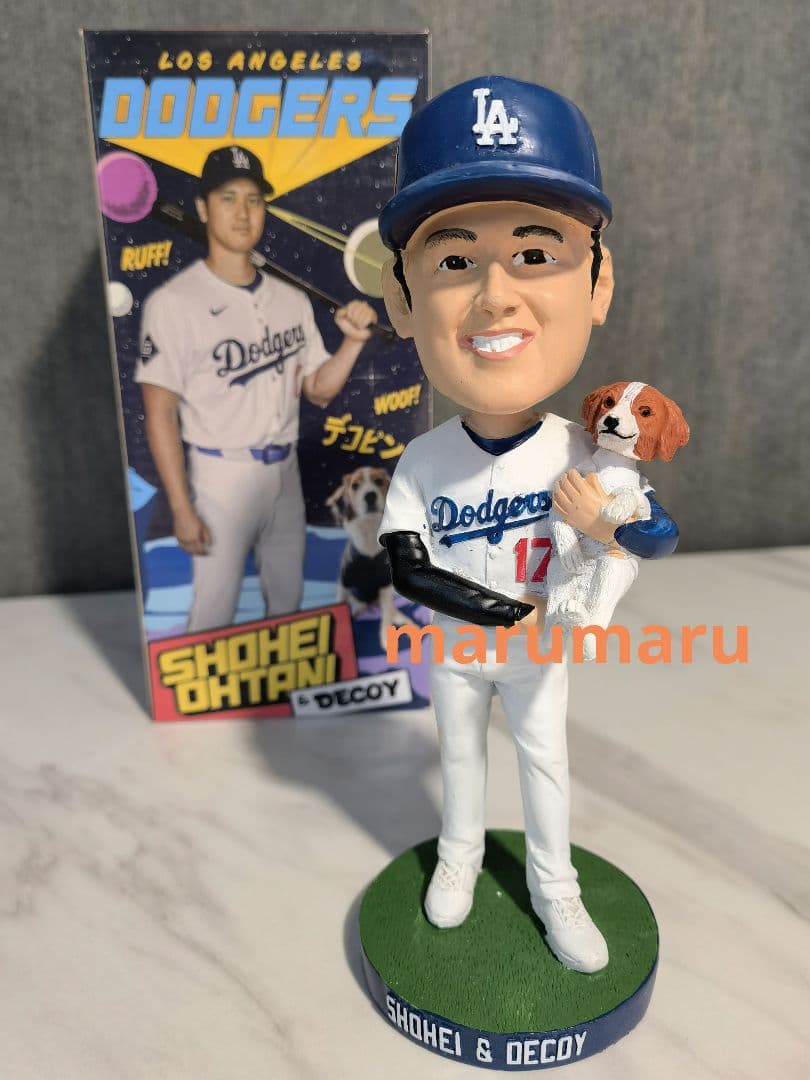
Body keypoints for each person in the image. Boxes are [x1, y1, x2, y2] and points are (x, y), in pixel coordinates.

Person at [377, 76, 679, 973]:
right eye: (454, 262)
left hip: (541, 653)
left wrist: (612, 528)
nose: (495, 296)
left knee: (546, 765)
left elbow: (658, 536)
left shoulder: (584, 450)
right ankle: (460, 858)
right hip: (462, 647)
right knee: (460, 761)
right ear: (402, 298)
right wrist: (506, 613)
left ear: (598, 281)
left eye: (536, 253)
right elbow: (408, 568)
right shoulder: (425, 458)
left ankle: (554, 889)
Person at [136, 145, 376, 631]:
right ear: (203, 209)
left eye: (253, 199)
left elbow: (318, 390)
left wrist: (352, 343)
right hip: (220, 475)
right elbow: (159, 413)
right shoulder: (174, 302)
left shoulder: (290, 299)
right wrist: (181, 507)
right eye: (228, 198)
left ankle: (283, 681)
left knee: (288, 604)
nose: (243, 213)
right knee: (213, 610)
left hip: (284, 473)